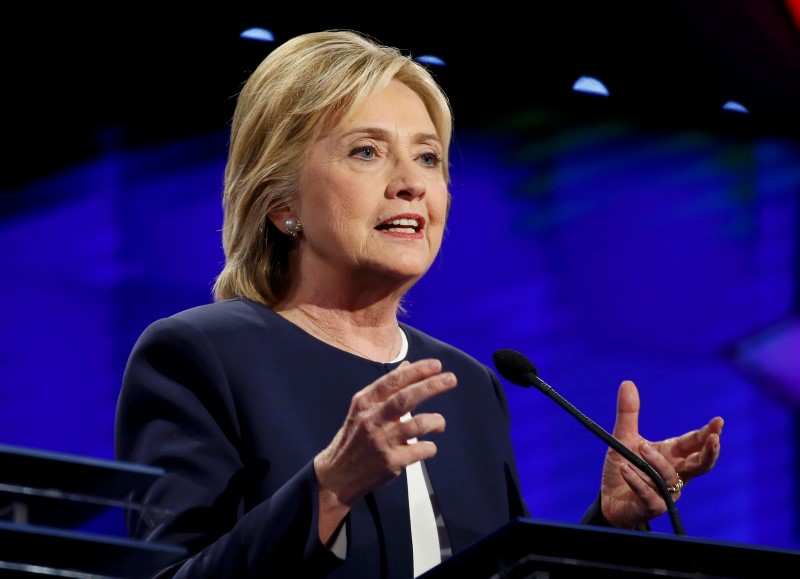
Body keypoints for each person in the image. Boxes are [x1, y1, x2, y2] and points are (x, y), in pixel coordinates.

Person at [113, 29, 724, 578]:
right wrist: (329, 490)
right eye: (366, 151)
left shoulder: (470, 386)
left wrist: (608, 526)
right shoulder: (202, 355)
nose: (411, 181)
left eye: (428, 157)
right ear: (282, 203)